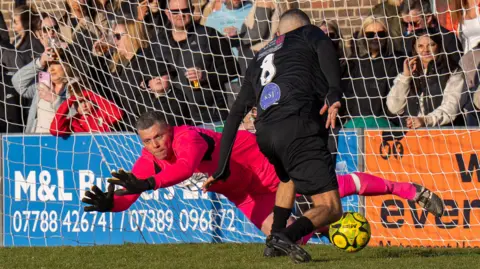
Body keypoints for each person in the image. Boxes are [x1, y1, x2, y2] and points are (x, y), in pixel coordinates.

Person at [81, 111, 444, 248]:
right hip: (241, 192)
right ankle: (330, 230)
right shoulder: (148, 157)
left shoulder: (188, 138)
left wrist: (146, 184)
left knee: (334, 191)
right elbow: (132, 193)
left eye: (159, 137)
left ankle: (409, 190)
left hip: (267, 167)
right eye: (148, 141)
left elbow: (187, 167)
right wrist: (111, 204)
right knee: (280, 238)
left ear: (168, 130)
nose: (156, 145)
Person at [201, 9, 343, 263]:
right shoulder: (308, 34)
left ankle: (274, 238)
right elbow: (326, 49)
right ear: (304, 28)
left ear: (277, 34)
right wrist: (334, 91)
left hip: (265, 133)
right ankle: (287, 236)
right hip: (298, 127)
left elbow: (235, 114)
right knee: (331, 207)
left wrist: (221, 167)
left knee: (287, 178)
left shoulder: (258, 58)